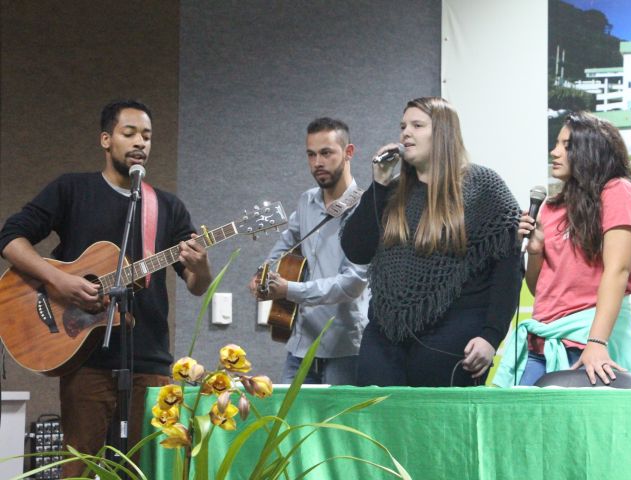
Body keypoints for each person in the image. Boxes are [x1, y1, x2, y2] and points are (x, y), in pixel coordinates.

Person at [0, 100, 213, 476]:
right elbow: (10, 239)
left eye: (146, 136)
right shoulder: (72, 189)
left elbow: (196, 286)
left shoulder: (166, 207)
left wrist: (201, 266)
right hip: (86, 359)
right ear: (105, 139)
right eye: (129, 133)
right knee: (79, 467)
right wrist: (59, 280)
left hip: (149, 361)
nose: (140, 142)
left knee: (149, 467)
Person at [341, 96, 522, 387]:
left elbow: (509, 270)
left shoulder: (483, 186)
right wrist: (378, 184)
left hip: (454, 339)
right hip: (385, 338)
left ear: (442, 133)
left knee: (439, 428)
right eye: (403, 126)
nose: (405, 133)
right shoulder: (392, 190)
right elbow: (356, 249)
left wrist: (491, 337)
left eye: (417, 125)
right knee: (377, 425)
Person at [494, 112, 631, 387]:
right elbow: (541, 290)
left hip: (589, 338)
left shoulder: (618, 191)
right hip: (542, 341)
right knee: (518, 422)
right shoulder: (549, 207)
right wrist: (535, 251)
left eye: (566, 145)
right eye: (556, 144)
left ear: (591, 151)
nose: (554, 152)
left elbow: (618, 270)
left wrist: (597, 342)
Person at [248, 117, 369, 385]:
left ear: (349, 152)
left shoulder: (365, 208)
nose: (317, 163)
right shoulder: (306, 201)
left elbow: (352, 284)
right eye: (311, 155)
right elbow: (284, 244)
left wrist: (289, 290)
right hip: (300, 344)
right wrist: (263, 275)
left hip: (344, 349)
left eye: (326, 153)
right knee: (287, 424)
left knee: (335, 427)